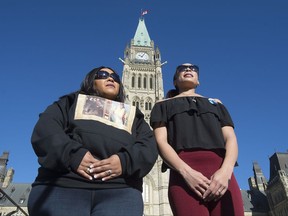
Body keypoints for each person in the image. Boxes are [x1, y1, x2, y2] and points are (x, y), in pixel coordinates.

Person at [28, 66, 158, 216]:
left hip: (119, 191)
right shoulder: (70, 102)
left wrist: (124, 161)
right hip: (63, 185)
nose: (110, 78)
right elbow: (46, 129)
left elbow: (148, 145)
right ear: (91, 81)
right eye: (103, 74)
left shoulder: (134, 116)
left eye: (115, 77)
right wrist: (73, 155)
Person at [150, 63, 244, 216]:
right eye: (182, 68)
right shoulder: (162, 105)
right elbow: (161, 141)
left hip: (221, 173)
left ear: (198, 80)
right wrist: (186, 173)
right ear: (174, 81)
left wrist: (226, 172)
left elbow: (231, 139)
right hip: (183, 176)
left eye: (193, 68)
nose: (188, 69)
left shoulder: (216, 104)